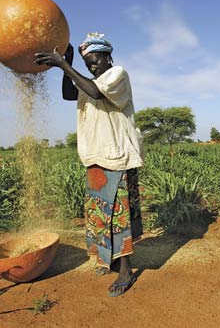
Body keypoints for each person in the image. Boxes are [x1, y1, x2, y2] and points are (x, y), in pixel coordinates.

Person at [34, 33, 144, 297]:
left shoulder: (117, 74)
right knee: (101, 215)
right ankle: (109, 259)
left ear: (107, 56)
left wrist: (63, 64)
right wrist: (67, 63)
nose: (92, 67)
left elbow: (95, 92)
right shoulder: (89, 81)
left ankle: (126, 270)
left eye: (94, 61)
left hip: (117, 157)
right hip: (95, 156)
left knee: (119, 217)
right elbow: (68, 93)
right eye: (87, 64)